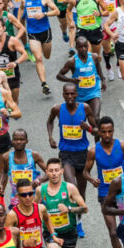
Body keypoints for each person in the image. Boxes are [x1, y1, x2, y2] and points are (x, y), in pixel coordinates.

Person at [85, 115, 124, 248]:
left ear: (113, 131)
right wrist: (92, 180)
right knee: (113, 232)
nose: (106, 135)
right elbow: (85, 172)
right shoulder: (93, 151)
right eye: (103, 132)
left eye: (109, 131)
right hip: (105, 194)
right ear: (99, 132)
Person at [46, 83, 94, 236]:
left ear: (77, 94)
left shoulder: (85, 108)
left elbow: (97, 129)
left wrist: (89, 128)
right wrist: (50, 137)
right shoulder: (57, 109)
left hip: (82, 154)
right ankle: (70, 222)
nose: (70, 97)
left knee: (81, 191)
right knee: (71, 185)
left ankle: (78, 222)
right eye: (67, 94)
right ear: (63, 94)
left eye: (72, 94)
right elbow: (49, 121)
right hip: (66, 154)